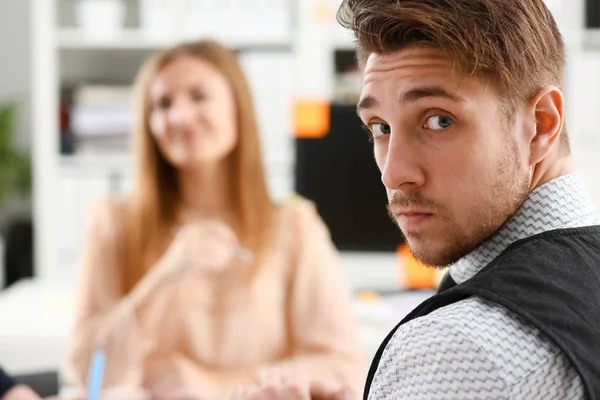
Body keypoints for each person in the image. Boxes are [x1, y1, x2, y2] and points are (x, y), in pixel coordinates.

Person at [63, 39, 364, 399]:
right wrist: (165, 275)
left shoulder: (293, 226)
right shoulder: (115, 222)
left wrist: (219, 384)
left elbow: (343, 367)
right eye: (163, 104)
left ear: (238, 107)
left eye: (199, 96)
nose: (179, 116)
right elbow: (87, 375)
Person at [335, 0, 600, 398]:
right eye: (381, 127)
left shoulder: (455, 349)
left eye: (439, 120)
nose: (393, 173)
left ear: (540, 124)